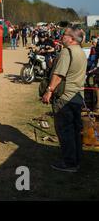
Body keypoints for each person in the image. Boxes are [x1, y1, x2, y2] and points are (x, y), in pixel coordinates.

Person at [42, 26, 87, 173]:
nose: (62, 36)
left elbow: (59, 75)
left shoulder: (67, 52)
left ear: (72, 38)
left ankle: (69, 163)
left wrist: (49, 91)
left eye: (65, 34)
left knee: (65, 130)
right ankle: (76, 159)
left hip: (65, 98)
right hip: (78, 97)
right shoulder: (81, 52)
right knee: (75, 131)